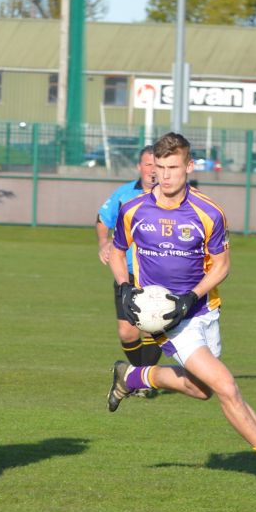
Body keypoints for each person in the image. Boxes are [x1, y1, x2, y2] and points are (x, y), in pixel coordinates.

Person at [105, 132, 256, 491]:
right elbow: (117, 250)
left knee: (202, 389)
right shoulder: (134, 209)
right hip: (167, 320)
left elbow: (221, 266)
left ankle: (131, 377)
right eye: (159, 168)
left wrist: (192, 296)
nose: (165, 175)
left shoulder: (208, 212)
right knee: (226, 387)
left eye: (173, 167)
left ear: (189, 166)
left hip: (203, 310)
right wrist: (125, 286)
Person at [96, 145, 161, 387]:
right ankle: (138, 374)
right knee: (127, 333)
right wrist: (104, 242)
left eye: (158, 165)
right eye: (148, 164)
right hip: (127, 271)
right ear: (139, 167)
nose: (153, 170)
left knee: (151, 329)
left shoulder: (169, 196)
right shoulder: (124, 194)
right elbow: (102, 220)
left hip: (157, 274)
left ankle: (142, 382)